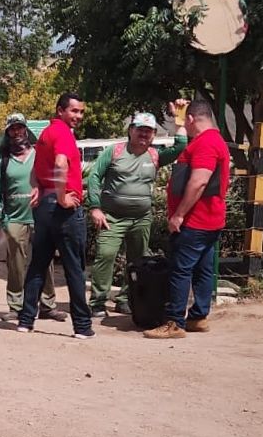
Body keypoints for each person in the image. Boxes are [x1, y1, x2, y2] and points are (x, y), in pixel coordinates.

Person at [85, 105, 188, 318]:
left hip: (141, 218)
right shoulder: (114, 151)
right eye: (140, 129)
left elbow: (181, 145)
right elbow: (94, 177)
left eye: (148, 130)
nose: (144, 133)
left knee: (138, 261)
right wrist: (95, 207)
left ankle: (126, 299)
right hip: (111, 217)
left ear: (154, 134)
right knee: (105, 255)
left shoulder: (155, 155)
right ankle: (98, 302)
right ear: (130, 130)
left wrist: (179, 118)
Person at [144, 100, 231, 339]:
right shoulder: (213, 140)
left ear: (193, 120)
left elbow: (199, 181)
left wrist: (179, 214)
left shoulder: (206, 143)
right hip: (209, 220)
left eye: (186, 122)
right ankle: (198, 316)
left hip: (195, 221)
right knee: (203, 269)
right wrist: (178, 119)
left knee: (181, 270)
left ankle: (174, 322)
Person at [16, 92, 93, 338]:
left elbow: (40, 168)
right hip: (63, 208)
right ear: (61, 110)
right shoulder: (63, 134)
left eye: (81, 111)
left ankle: (26, 320)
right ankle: (82, 326)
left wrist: (41, 189)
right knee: (74, 268)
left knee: (38, 264)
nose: (78, 116)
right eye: (74, 111)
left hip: (44, 207)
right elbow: (60, 164)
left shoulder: (46, 134)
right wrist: (62, 197)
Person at [0, 113, 66, 322]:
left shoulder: (38, 154)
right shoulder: (1, 159)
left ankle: (48, 304)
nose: (17, 132)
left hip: (40, 216)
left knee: (46, 261)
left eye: (20, 128)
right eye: (12, 129)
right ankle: (16, 305)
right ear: (7, 133)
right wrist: (1, 216)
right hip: (14, 217)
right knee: (16, 263)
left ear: (26, 130)